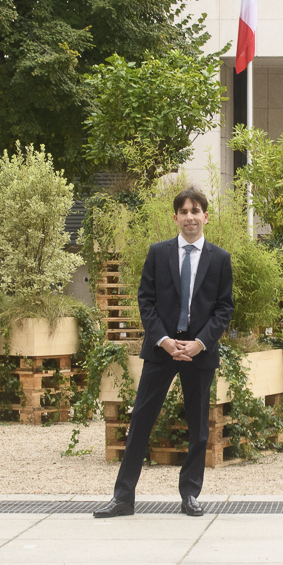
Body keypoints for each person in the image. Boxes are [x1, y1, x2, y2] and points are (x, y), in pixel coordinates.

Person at [95, 186, 234, 519]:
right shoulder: (158, 253)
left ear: (205, 217)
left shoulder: (220, 259)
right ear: (175, 217)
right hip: (161, 350)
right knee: (141, 419)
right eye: (183, 212)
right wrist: (163, 340)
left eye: (195, 211)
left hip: (199, 352)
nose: (189, 217)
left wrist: (200, 342)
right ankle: (123, 497)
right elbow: (146, 300)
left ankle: (190, 494)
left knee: (199, 426)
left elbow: (224, 308)